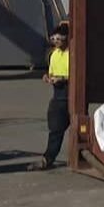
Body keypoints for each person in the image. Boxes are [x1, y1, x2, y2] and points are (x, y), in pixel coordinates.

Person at [31, 22, 71, 170]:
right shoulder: (54, 54)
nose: (56, 42)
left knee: (79, 127)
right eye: (54, 39)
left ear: (67, 39)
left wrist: (64, 79)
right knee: (55, 127)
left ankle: (81, 154)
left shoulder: (73, 54)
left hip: (72, 93)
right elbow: (52, 72)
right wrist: (48, 77)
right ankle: (48, 158)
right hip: (58, 94)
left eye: (59, 39)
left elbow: (77, 75)